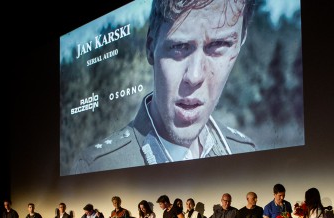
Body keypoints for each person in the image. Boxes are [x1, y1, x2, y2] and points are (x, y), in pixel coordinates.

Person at [71, 0, 257, 174]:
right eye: (179, 46)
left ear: (240, 43)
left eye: (219, 45)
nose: (194, 77)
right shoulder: (99, 167)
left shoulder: (245, 152)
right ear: (151, 46)